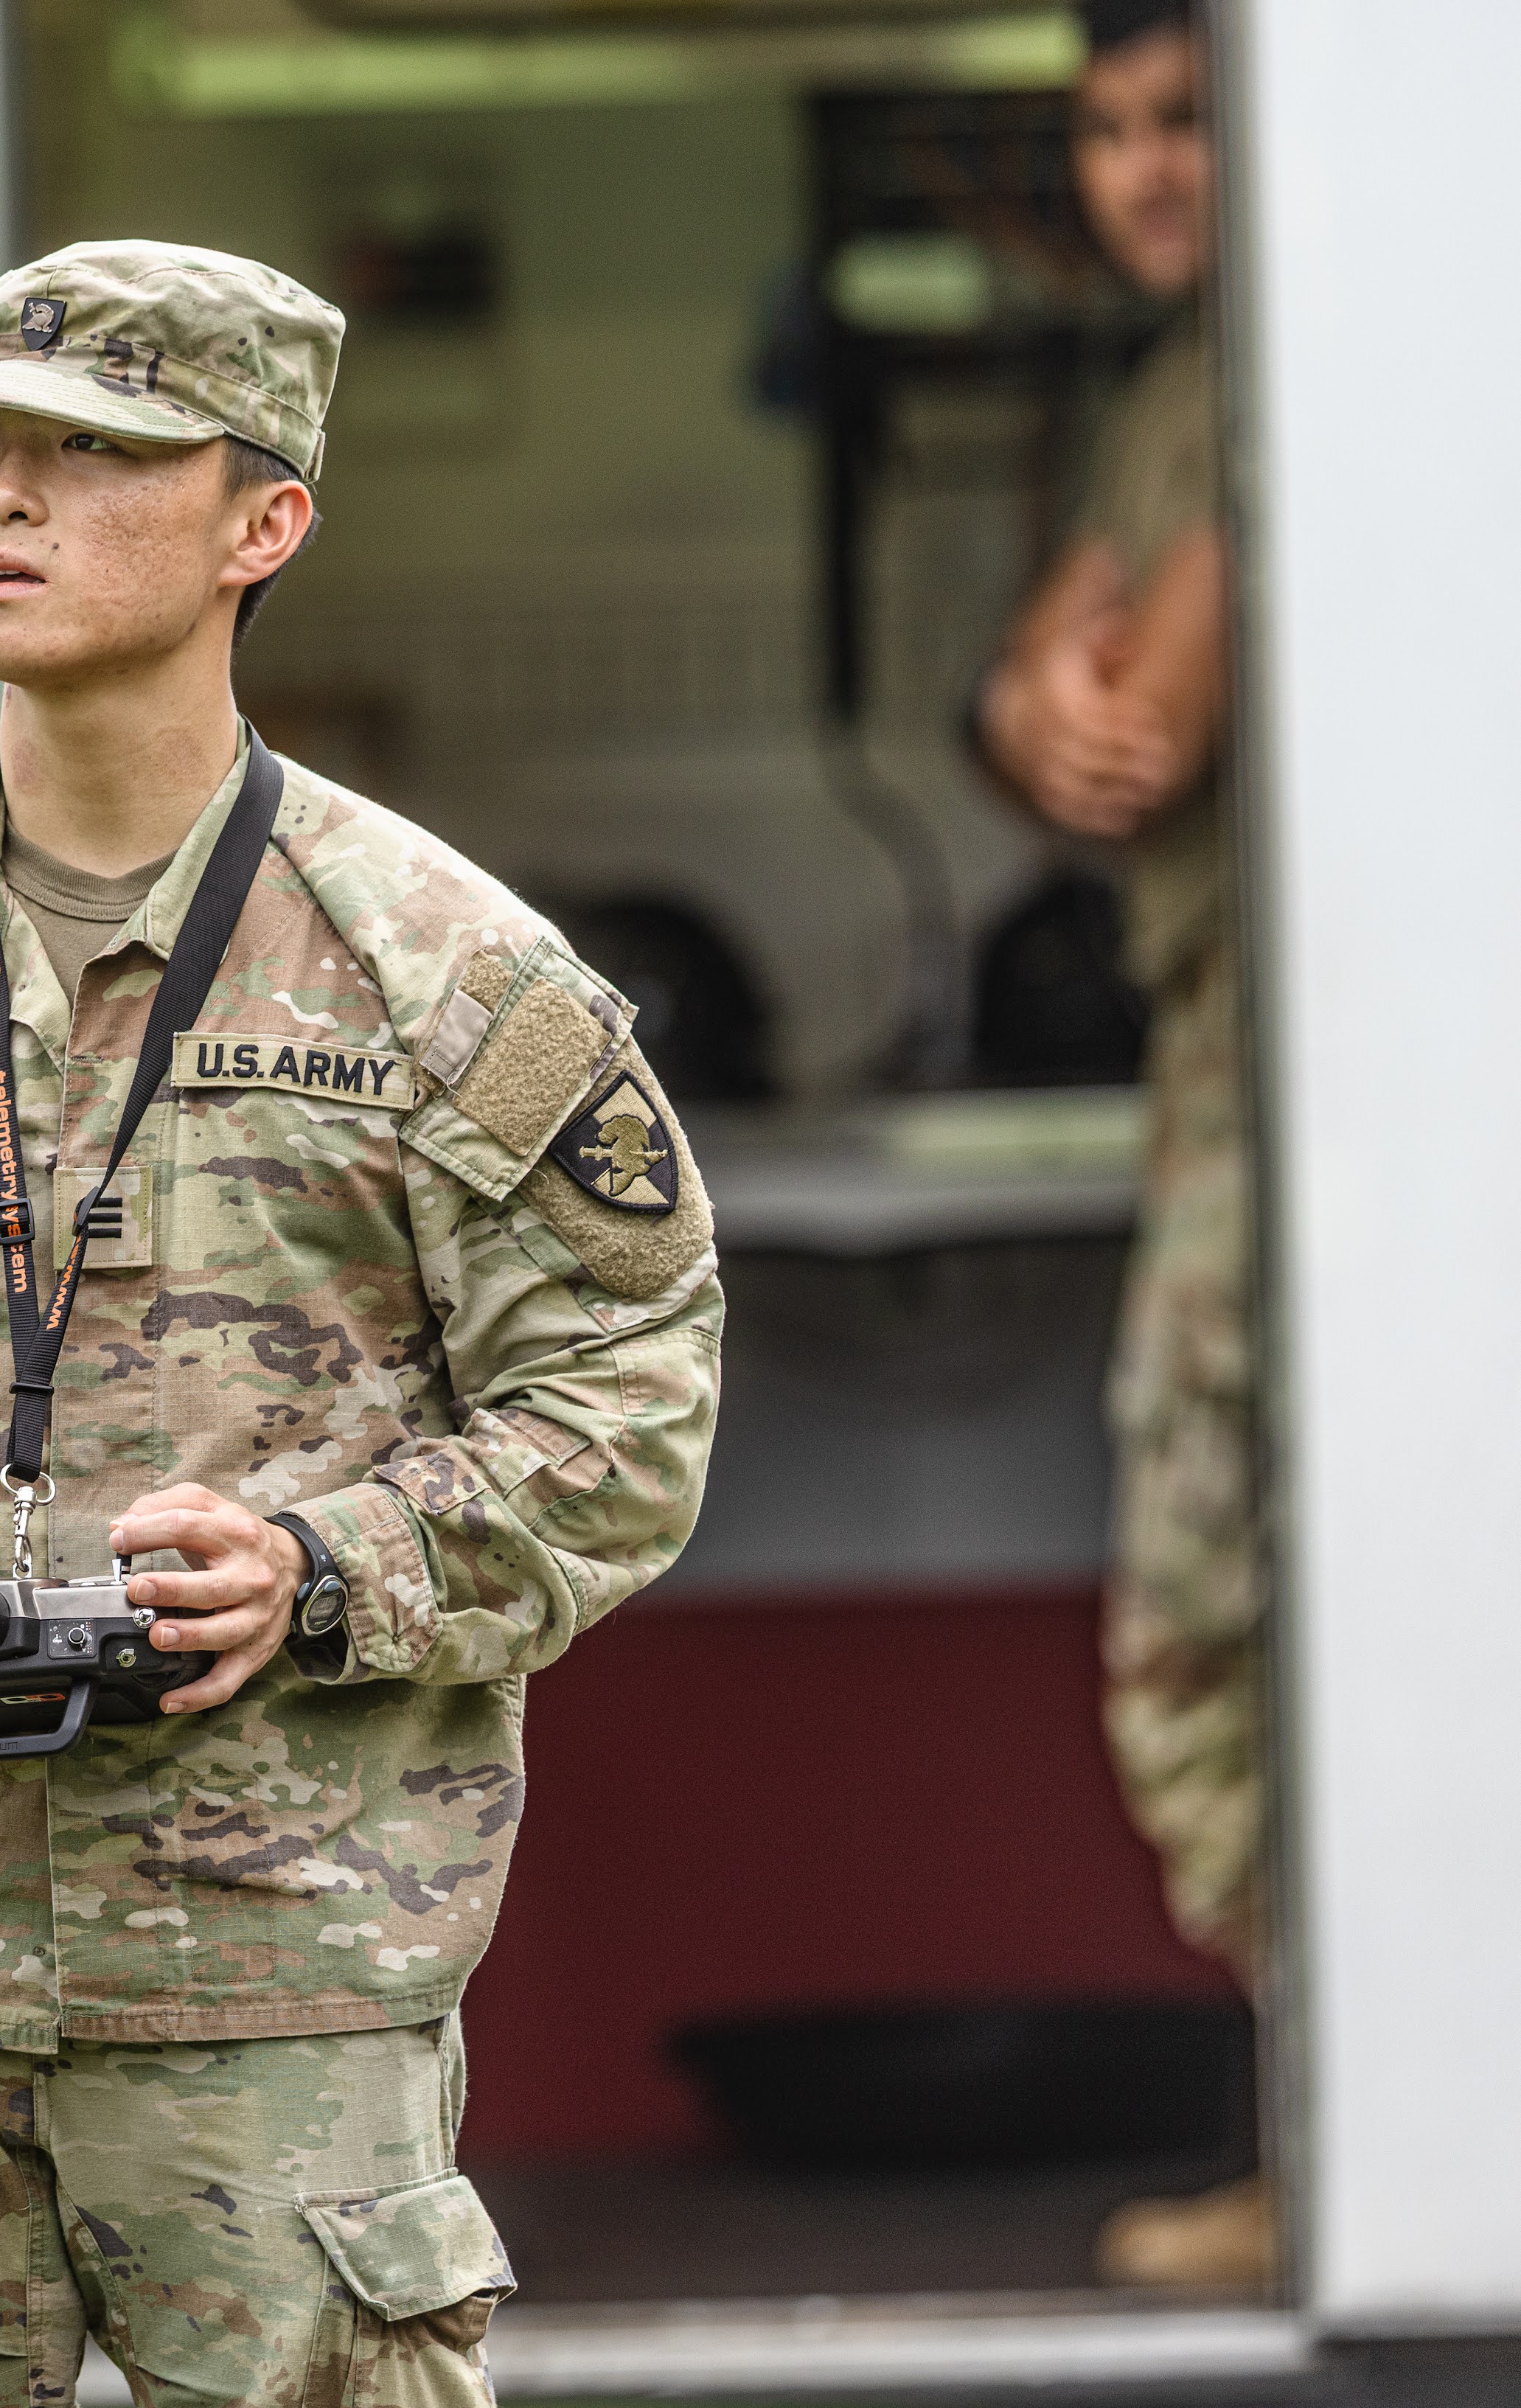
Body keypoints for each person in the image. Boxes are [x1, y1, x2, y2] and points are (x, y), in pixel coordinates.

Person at [0, 238, 725, 2405]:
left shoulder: (440, 972)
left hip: (275, 1963)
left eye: (89, 455)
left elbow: (628, 1388)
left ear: (261, 521)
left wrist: (323, 1569)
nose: (0, 503)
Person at [967, 0, 1260, 2293]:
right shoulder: (1172, 381)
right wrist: (1022, 696)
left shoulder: (1286, 348)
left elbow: (1122, 725)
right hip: (1223, 1053)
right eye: (1108, 127)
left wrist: (1051, 695)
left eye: (1187, 117)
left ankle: (1358, 2146)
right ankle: (1347, 2130)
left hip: (1299, 1081)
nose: (1148, 168)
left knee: (1212, 1626)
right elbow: (1025, 696)